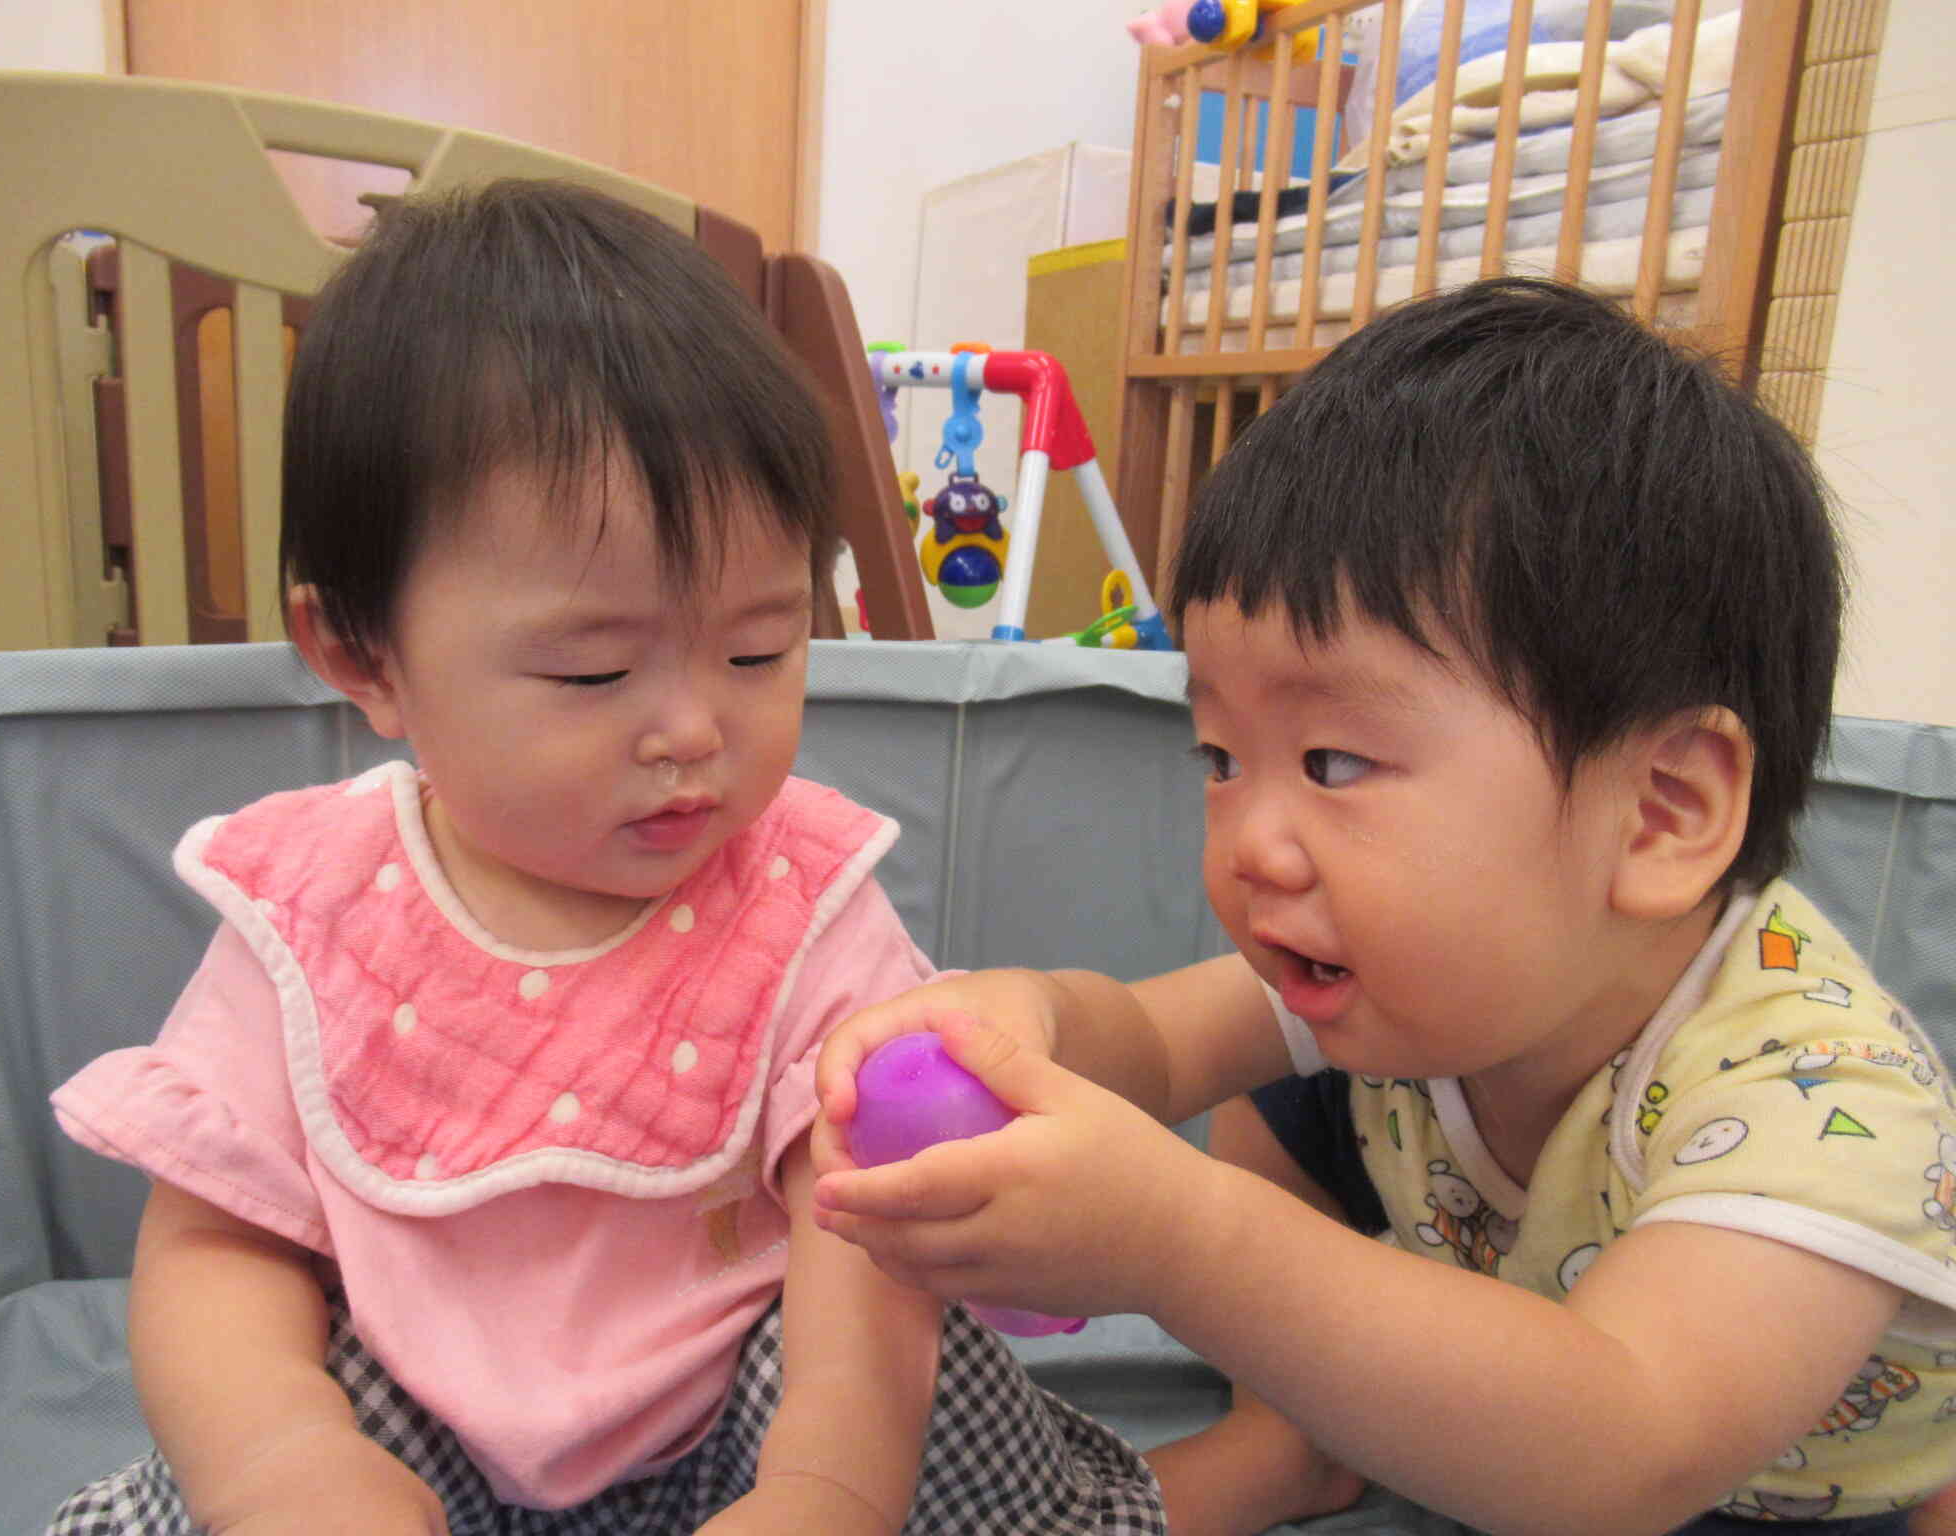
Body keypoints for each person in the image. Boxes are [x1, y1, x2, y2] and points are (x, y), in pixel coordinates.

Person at [45, 180, 1163, 1536]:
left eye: (759, 650)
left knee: (933, 1372)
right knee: (233, 1456)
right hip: (411, 1433)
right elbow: (218, 1241)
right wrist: (286, 1461)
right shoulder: (315, 906)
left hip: (751, 1422)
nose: (694, 729)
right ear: (362, 656)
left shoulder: (799, 897)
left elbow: (854, 1226)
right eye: (591, 672)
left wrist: (828, 1484)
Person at [808, 277, 1956, 1536]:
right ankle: (1295, 1437)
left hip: (1756, 1484)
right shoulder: (1404, 968)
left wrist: (1177, 1240)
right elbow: (1141, 1042)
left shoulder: (1821, 1095)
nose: (1251, 846)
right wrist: (1013, 1021)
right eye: (1218, 760)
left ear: (1661, 813)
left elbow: (1629, 1449)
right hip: (1489, 1353)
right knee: (1283, 1076)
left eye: (1333, 764)